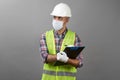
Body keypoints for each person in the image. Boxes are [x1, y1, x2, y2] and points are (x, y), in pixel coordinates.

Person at [39, 3, 83, 80]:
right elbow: (44, 57)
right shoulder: (45, 36)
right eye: (54, 17)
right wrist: (58, 57)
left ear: (67, 19)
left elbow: (79, 63)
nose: (56, 20)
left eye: (60, 18)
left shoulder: (74, 37)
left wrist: (67, 60)